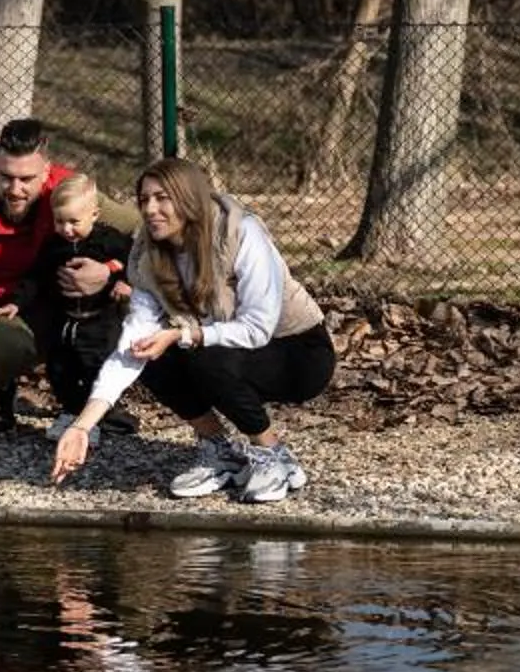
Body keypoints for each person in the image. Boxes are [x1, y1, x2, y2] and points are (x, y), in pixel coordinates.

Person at [46, 156, 335, 502]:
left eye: (162, 198)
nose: (150, 209)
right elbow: (130, 346)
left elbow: (258, 328)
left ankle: (273, 456)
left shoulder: (240, 232)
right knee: (149, 352)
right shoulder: (146, 254)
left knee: (205, 357)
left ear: (189, 199)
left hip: (298, 352)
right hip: (222, 348)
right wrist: (82, 425)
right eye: (144, 200)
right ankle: (220, 452)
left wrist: (185, 335)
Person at [0, 119, 139, 430]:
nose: (15, 189)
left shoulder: (70, 193)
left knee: (138, 300)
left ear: (47, 172)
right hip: (10, 315)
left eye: (26, 179)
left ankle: (103, 394)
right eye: (5, 177)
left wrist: (112, 272)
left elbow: (142, 228)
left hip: (74, 308)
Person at [18, 173, 135, 437]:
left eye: (74, 222)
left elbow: (132, 260)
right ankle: (70, 411)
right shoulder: (53, 246)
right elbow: (35, 276)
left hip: (100, 319)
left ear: (94, 215)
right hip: (65, 318)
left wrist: (122, 279)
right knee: (60, 368)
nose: (66, 229)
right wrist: (16, 303)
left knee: (97, 366)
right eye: (59, 221)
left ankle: (93, 418)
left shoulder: (109, 240)